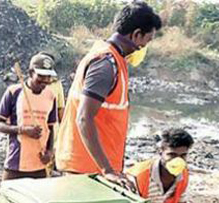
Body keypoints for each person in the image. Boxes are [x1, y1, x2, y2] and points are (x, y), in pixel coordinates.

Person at [55, 0, 162, 189]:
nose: (145, 46)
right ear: (137, 34)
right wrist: (108, 171)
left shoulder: (115, 60)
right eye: (148, 40)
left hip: (94, 168)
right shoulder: (106, 64)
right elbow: (83, 118)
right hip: (86, 170)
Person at [0, 53, 58, 180]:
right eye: (40, 76)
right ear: (30, 73)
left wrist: (50, 152)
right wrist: (22, 130)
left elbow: (50, 128)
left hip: (40, 163)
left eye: (48, 77)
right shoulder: (14, 92)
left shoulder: (51, 96)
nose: (45, 81)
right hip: (16, 163)